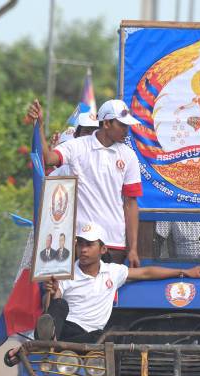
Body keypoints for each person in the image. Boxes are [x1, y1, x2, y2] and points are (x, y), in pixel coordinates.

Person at [3, 222, 200, 357]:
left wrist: (184, 272)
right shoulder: (65, 273)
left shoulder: (112, 272)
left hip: (90, 336)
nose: (83, 250)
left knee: (108, 336)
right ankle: (48, 341)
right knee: (59, 304)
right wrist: (52, 291)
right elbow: (55, 301)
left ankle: (45, 346)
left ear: (103, 249)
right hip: (64, 328)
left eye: (89, 245)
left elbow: (146, 273)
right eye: (80, 244)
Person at [27, 99, 143, 267]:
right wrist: (39, 126)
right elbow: (49, 159)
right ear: (107, 123)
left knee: (108, 293)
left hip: (114, 242)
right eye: (122, 125)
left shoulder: (129, 155)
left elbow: (131, 203)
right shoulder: (77, 147)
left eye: (127, 126)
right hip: (81, 242)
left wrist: (133, 248)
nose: (126, 130)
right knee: (73, 292)